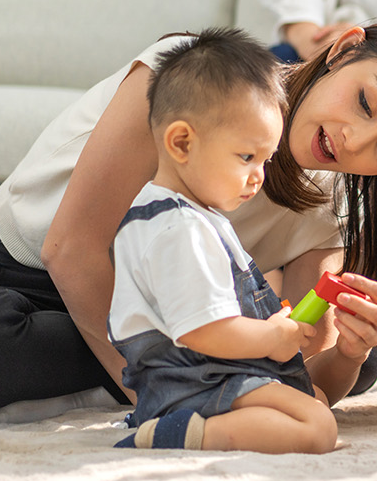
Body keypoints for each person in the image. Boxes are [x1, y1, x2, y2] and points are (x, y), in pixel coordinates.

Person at [0, 17, 377, 425]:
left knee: (362, 359)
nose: (354, 140)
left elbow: (299, 366)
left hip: (180, 321)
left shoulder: (328, 205)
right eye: (366, 103)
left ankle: (124, 379)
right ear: (343, 49)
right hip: (29, 279)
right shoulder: (193, 74)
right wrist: (164, 390)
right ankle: (172, 379)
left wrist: (339, 352)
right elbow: (71, 247)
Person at [104, 28, 336, 453]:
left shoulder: (184, 214)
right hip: (192, 380)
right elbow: (205, 332)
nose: (259, 176)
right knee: (318, 427)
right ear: (181, 143)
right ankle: (189, 433)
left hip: (205, 374)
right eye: (247, 157)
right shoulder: (180, 230)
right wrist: (272, 337)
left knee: (312, 400)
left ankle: (195, 423)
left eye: (266, 159)